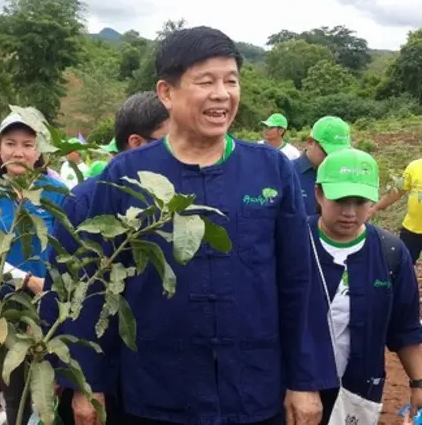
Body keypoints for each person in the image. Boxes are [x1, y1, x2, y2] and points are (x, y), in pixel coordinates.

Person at [62, 26, 325, 425]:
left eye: (231, 81)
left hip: (251, 388)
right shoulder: (126, 174)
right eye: (206, 82)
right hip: (155, 391)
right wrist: (88, 383)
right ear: (166, 93)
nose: (222, 94)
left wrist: (304, 381)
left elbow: (298, 281)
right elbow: (96, 281)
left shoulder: (271, 170)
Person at [47, 89, 170, 425]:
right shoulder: (86, 201)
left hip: (159, 377)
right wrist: (77, 380)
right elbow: (63, 289)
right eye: (171, 141)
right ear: (137, 144)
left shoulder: (170, 203)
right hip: (107, 376)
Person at [305, 148, 422, 422]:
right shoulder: (293, 242)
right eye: (340, 200)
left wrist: (418, 382)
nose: (350, 212)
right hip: (297, 387)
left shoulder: (390, 253)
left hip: (358, 389)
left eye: (360, 202)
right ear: (319, 194)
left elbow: (405, 327)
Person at [0, 110, 68, 425]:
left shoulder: (57, 193)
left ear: (39, 151)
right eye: (10, 143)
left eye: (28, 144)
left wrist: (49, 286)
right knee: (13, 390)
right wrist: (27, 280)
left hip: (49, 302)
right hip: (5, 305)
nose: (18, 152)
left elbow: (68, 245)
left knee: (50, 387)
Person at [293, 116, 352, 216]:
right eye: (328, 152)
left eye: (340, 153)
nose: (333, 158)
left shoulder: (348, 172)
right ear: (310, 142)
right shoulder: (287, 173)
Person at [370, 155, 422, 263]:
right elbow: (397, 192)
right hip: (412, 229)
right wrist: (376, 207)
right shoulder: (415, 166)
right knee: (402, 262)